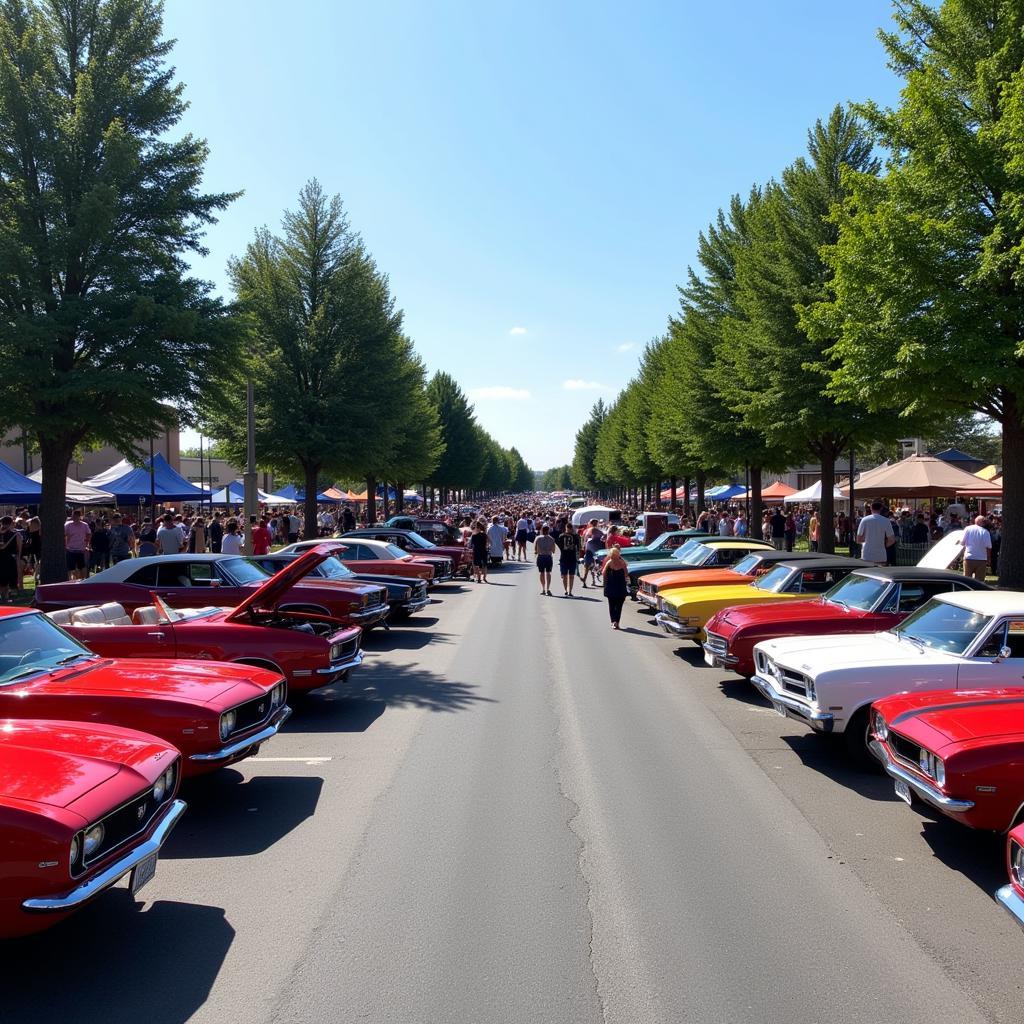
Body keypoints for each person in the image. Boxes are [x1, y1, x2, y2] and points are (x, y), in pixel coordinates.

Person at [856, 500, 896, 565]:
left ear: (871, 508)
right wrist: (883, 545)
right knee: (880, 573)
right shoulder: (886, 521)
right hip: (880, 554)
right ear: (881, 508)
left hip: (867, 554)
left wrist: (866, 542)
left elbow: (858, 539)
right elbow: (892, 540)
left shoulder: (864, 520)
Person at [602, 545, 630, 629]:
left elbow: (626, 574)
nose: (614, 557)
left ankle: (616, 622)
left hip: (620, 587)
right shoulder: (609, 562)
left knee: (618, 606)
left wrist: (627, 583)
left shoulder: (622, 563)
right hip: (612, 587)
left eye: (615, 556)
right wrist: (605, 584)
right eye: (612, 556)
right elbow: (604, 573)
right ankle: (614, 622)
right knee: (613, 605)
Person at [958, 515, 992, 581]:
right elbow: (988, 547)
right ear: (982, 522)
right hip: (981, 559)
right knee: (979, 581)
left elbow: (962, 543)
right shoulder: (985, 532)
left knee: (967, 580)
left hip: (969, 558)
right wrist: (988, 559)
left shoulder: (967, 529)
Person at [64, 508, 91, 580]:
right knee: (71, 567)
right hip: (70, 549)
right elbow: (64, 535)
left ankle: (84, 579)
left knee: (82, 566)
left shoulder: (85, 525)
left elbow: (89, 534)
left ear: (80, 516)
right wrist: (65, 544)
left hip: (81, 549)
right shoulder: (68, 525)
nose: (75, 517)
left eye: (77, 516)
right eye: (74, 516)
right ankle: (73, 580)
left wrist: (87, 544)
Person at [0, 516, 22, 600]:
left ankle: (4, 597)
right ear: (11, 523)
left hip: (2, 559)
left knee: (2, 581)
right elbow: (19, 550)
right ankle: (10, 597)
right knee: (11, 579)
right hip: (11, 559)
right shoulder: (16, 534)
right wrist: (18, 560)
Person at [558, 521, 581, 596]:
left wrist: (578, 556)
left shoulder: (573, 536)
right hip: (567, 557)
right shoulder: (563, 536)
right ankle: (567, 590)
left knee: (569, 575)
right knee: (567, 576)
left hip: (569, 558)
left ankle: (569, 590)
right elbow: (578, 547)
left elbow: (578, 547)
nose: (569, 530)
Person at [582, 524, 605, 588]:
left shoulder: (589, 534)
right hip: (594, 553)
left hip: (591, 552)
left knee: (588, 567)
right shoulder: (597, 534)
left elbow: (584, 542)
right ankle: (591, 581)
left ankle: (589, 581)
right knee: (591, 567)